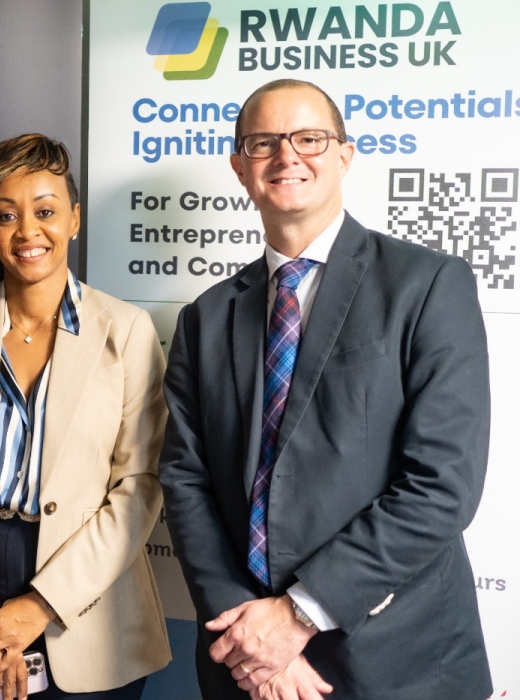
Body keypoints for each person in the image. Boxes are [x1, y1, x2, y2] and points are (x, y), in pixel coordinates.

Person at [159, 78, 492, 700]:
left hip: (398, 661)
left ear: (344, 155)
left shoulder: (427, 286)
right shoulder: (205, 318)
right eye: (263, 143)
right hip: (249, 666)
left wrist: (298, 614)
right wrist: (251, 639)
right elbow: (186, 479)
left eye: (310, 138)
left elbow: (442, 485)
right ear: (240, 167)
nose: (288, 156)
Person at [0, 134, 171, 700]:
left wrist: (39, 606)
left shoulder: (126, 332)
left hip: (93, 607)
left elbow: (139, 487)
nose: (28, 231)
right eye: (7, 216)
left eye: (46, 211)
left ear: (74, 220)